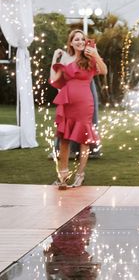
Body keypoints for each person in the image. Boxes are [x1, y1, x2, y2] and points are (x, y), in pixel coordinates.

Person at [49, 29, 107, 188]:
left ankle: (80, 174)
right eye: (76, 39)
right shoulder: (66, 59)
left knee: (84, 138)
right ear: (71, 42)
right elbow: (54, 80)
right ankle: (63, 176)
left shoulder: (90, 58)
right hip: (67, 102)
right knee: (64, 139)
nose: (80, 42)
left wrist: (95, 54)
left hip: (84, 103)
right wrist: (55, 58)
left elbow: (104, 71)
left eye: (82, 39)